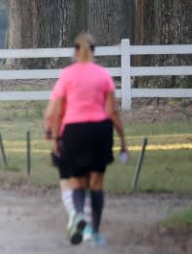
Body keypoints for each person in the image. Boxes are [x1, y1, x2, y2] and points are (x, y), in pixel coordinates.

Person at [44, 33, 127, 247]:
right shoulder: (103, 75)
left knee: (78, 182)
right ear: (94, 51)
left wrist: (55, 137)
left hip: (74, 131)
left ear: (74, 51)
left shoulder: (67, 75)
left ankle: (80, 215)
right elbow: (112, 111)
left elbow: (59, 111)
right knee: (97, 184)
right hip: (99, 130)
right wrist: (123, 139)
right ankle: (97, 233)